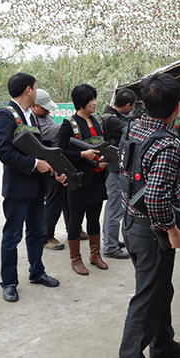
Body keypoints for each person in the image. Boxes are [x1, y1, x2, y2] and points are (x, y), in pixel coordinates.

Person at [118, 73, 180, 358]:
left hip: (130, 222)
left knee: (159, 289)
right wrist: (172, 230)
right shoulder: (167, 144)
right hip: (151, 232)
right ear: (177, 108)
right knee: (146, 301)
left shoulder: (133, 127)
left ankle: (162, 344)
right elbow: (157, 199)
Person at [0, 73, 64, 303]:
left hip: (36, 186)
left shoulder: (30, 116)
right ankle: (9, 282)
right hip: (17, 187)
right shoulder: (5, 114)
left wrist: (53, 168)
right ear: (28, 90)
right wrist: (34, 164)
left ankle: (37, 272)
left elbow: (39, 149)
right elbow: (3, 152)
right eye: (35, 87)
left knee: (36, 232)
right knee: (12, 236)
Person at [58, 84, 109, 275]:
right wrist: (82, 154)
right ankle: (76, 259)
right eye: (90, 100)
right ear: (80, 103)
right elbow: (62, 152)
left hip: (97, 178)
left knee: (94, 218)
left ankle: (95, 255)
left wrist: (104, 160)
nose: (94, 103)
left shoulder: (98, 121)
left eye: (94, 99)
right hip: (78, 181)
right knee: (75, 221)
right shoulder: (69, 124)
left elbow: (103, 146)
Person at [30, 89, 67, 250]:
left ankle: (73, 228)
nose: (47, 110)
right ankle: (46, 236)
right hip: (47, 166)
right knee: (53, 201)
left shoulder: (45, 116)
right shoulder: (33, 120)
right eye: (44, 107)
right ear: (33, 106)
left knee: (65, 199)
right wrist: (69, 125)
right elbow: (50, 133)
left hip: (56, 162)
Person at [102, 88, 136, 260]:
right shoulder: (111, 119)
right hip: (113, 169)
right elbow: (131, 130)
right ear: (128, 105)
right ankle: (110, 246)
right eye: (133, 106)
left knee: (117, 207)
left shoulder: (114, 116)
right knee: (114, 208)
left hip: (116, 168)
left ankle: (112, 240)